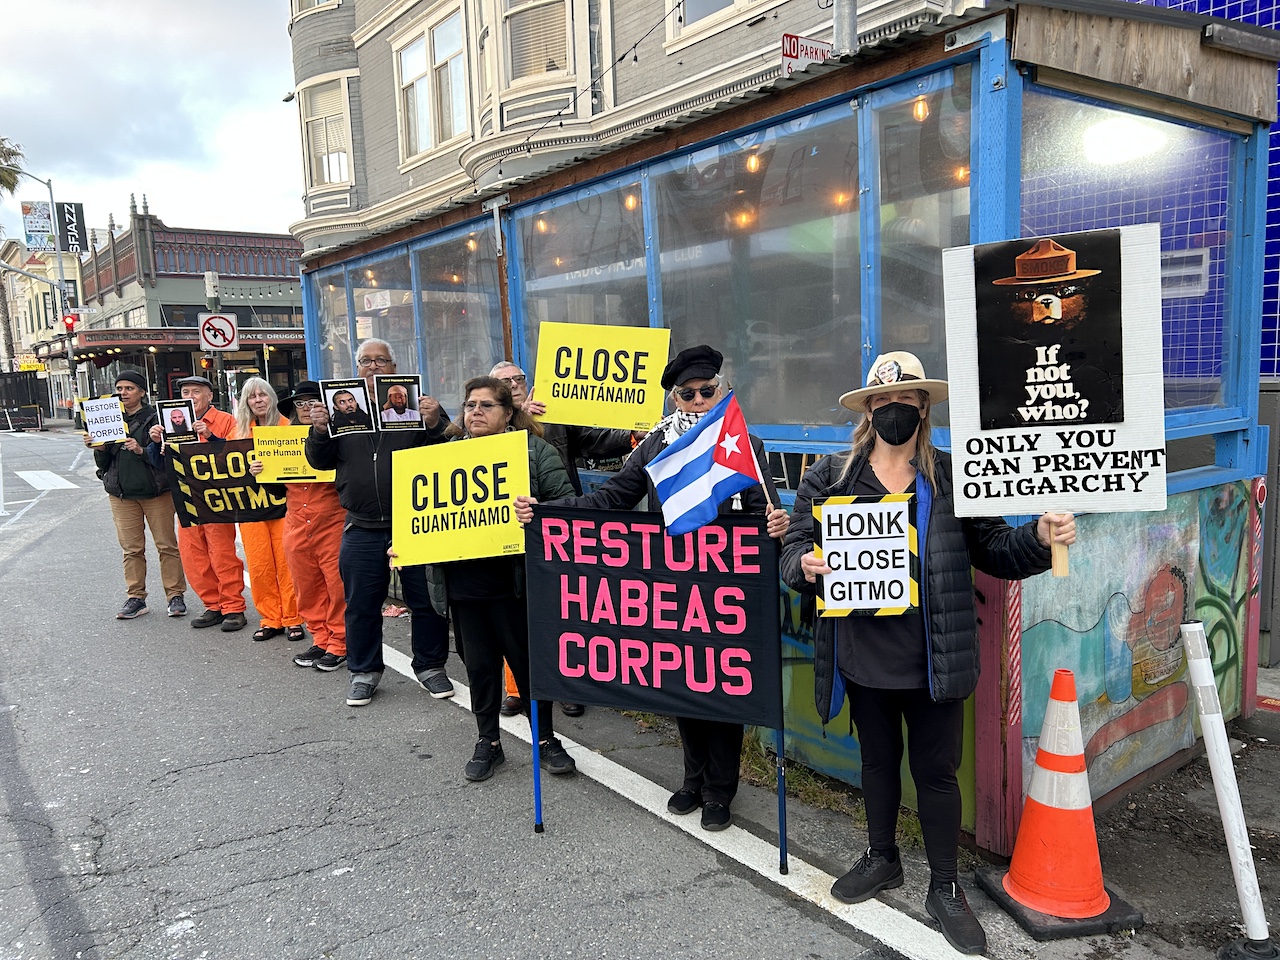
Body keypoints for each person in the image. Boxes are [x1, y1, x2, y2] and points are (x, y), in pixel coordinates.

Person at [779, 351, 1076, 956]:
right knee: (877, 762)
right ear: (868, 410)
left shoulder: (955, 477)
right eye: (883, 402)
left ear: (923, 407)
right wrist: (803, 566)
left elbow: (994, 549)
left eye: (906, 401)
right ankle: (882, 857)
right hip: (862, 652)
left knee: (936, 773)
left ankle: (945, 886)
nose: (894, 410)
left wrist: (1040, 539)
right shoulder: (830, 477)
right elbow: (794, 549)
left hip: (935, 657)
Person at [515, 345, 789, 831]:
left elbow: (758, 506)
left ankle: (720, 790)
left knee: (725, 683)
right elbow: (614, 497)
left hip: (728, 582)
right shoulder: (658, 442)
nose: (699, 400)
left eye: (708, 391)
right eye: (688, 394)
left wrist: (773, 525)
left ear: (722, 391)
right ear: (674, 398)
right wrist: (550, 512)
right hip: (675, 581)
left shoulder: (742, 439)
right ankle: (692, 779)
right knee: (684, 678)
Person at [427, 376, 578, 782]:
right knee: (479, 668)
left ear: (509, 413)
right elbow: (420, 514)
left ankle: (545, 738)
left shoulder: (535, 451)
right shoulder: (442, 455)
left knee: (529, 666)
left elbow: (566, 505)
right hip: (464, 585)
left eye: (486, 405)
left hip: (517, 584)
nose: (475, 411)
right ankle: (488, 741)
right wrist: (404, 545)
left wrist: (538, 510)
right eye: (470, 405)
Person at [305, 338, 455, 707]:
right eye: (366, 361)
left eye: (381, 360)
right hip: (361, 524)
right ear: (356, 368)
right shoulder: (338, 409)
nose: (373, 366)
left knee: (426, 600)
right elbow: (319, 462)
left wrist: (435, 422)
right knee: (360, 604)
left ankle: (431, 666)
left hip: (415, 523)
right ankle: (364, 672)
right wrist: (319, 431)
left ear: (394, 367)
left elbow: (448, 452)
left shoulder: (419, 405)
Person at [491, 359, 638, 718]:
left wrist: (633, 436)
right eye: (505, 381)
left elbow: (593, 441)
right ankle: (517, 688)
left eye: (518, 378)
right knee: (515, 609)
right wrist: (520, 419)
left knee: (562, 607)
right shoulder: (488, 422)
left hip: (556, 523)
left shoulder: (553, 413)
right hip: (506, 528)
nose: (514, 384)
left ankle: (566, 684)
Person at [148, 374, 248, 632]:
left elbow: (237, 457)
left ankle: (233, 607)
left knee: (222, 554)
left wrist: (211, 437)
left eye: (196, 391)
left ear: (209, 396)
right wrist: (155, 444)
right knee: (194, 556)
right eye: (186, 392)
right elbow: (159, 464)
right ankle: (213, 605)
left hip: (217, 499)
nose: (190, 397)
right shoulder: (169, 422)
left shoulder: (226, 421)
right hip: (186, 497)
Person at [88, 371, 186, 620]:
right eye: (120, 388)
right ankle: (136, 597)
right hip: (121, 494)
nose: (123, 393)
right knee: (131, 549)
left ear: (142, 392)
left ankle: (175, 595)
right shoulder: (109, 417)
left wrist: (141, 450)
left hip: (156, 492)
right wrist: (100, 448)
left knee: (166, 546)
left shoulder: (156, 418)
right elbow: (103, 462)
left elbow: (168, 457)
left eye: (129, 388)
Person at [275, 382, 348, 673]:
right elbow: (276, 489)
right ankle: (320, 638)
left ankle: (340, 641)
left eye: (313, 402)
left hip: (332, 520)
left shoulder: (338, 437)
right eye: (300, 403)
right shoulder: (281, 440)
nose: (306, 408)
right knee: (306, 586)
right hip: (296, 521)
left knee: (337, 585)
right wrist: (261, 472)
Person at [234, 377, 305, 643]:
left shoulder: (289, 428)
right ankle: (270, 618)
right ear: (246, 402)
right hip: (252, 509)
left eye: (262, 395)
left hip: (284, 507)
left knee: (288, 564)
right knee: (259, 564)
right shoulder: (239, 433)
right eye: (252, 397)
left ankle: (293, 618)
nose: (258, 400)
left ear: (272, 398)